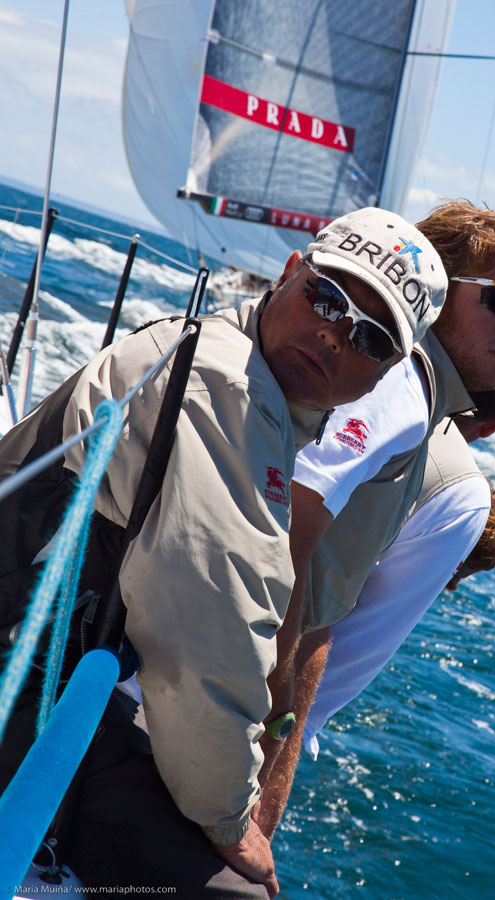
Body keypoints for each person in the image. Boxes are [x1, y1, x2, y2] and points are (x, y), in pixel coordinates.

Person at [0, 208, 447, 897]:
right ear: (291, 272)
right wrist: (227, 818)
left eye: (369, 336)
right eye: (326, 297)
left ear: (386, 371)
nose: (332, 334)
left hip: (48, 678)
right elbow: (206, 648)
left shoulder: (236, 365)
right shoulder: (230, 397)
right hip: (20, 683)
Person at [257, 202, 495, 836]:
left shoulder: (413, 399)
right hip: (205, 700)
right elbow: (290, 527)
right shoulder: (402, 388)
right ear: (437, 294)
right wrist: (277, 722)